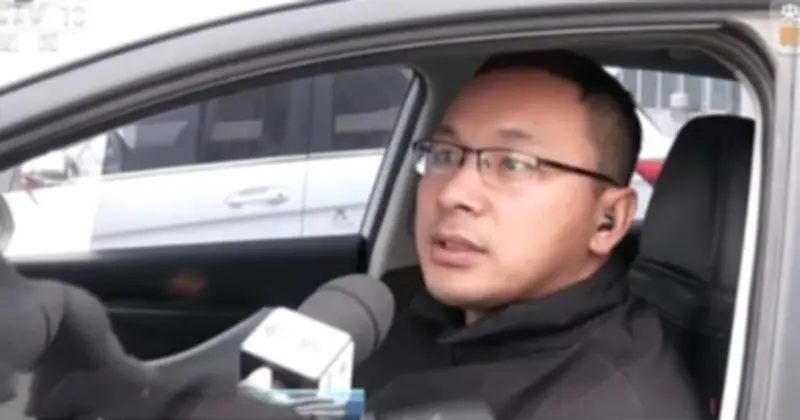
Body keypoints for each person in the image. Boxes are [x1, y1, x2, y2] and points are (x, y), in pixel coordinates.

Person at [353, 50, 708, 419]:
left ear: (608, 220)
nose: (452, 193)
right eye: (444, 155)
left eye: (514, 164)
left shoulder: (608, 405)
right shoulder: (395, 302)